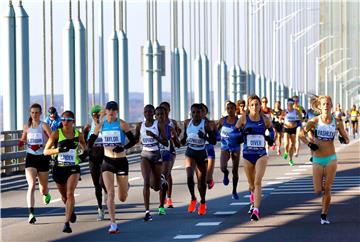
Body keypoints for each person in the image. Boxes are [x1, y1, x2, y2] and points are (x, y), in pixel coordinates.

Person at [299, 95, 349, 224]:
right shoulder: (314, 121)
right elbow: (301, 134)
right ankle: (323, 207)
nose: (326, 106)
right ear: (320, 107)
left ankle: (324, 215)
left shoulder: (337, 122)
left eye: (328, 104)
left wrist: (343, 139)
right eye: (323, 104)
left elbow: (347, 139)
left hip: (331, 158)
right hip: (317, 159)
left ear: (331, 106)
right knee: (317, 190)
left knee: (328, 188)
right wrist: (310, 144)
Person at [88, 101, 136, 233]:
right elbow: (90, 141)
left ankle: (125, 186)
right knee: (110, 192)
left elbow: (133, 140)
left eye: (114, 110)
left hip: (121, 161)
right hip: (107, 162)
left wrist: (123, 147)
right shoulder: (101, 125)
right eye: (109, 109)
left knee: (122, 197)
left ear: (117, 111)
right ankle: (113, 224)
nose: (111, 112)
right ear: (106, 111)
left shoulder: (122, 124)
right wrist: (89, 148)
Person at [44, 110, 87, 233]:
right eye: (63, 119)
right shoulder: (56, 134)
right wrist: (58, 150)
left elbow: (84, 145)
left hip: (73, 168)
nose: (65, 122)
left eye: (68, 120)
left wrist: (84, 154)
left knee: (69, 194)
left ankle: (66, 223)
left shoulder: (78, 135)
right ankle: (70, 210)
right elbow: (45, 151)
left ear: (73, 122)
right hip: (58, 168)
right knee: (64, 197)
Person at [234, 95, 274, 221]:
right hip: (247, 155)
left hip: (261, 154)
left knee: (257, 182)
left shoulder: (264, 119)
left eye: (257, 104)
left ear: (260, 106)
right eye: (252, 105)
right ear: (249, 106)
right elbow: (234, 133)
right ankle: (252, 197)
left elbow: (272, 130)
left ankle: (256, 210)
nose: (255, 107)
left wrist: (270, 138)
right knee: (251, 184)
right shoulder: (244, 119)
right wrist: (243, 133)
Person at [18, 103, 52, 224]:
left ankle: (46, 193)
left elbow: (53, 139)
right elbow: (23, 138)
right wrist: (21, 142)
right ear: (30, 113)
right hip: (31, 157)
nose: (35, 115)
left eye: (37, 112)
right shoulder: (27, 126)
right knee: (31, 185)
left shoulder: (44, 125)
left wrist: (42, 145)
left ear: (40, 113)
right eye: (32, 112)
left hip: (42, 158)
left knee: (43, 188)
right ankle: (31, 213)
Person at [134, 104, 169, 221]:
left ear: (153, 113)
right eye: (146, 112)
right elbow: (135, 139)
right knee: (146, 181)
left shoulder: (158, 125)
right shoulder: (140, 125)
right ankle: (147, 212)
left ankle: (163, 188)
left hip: (156, 155)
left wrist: (154, 135)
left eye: (150, 112)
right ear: (143, 113)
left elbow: (166, 142)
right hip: (145, 155)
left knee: (156, 187)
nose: (148, 114)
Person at [181, 103, 216, 216]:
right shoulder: (187, 123)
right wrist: (180, 141)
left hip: (201, 153)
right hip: (190, 152)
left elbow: (214, 141)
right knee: (189, 176)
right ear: (191, 113)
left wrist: (204, 137)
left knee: (201, 182)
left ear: (202, 114)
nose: (195, 114)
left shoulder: (205, 124)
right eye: (193, 112)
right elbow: (184, 138)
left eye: (198, 112)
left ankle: (203, 202)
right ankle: (193, 198)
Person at [83, 105, 107, 221]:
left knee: (102, 182)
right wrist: (82, 155)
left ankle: (107, 192)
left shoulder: (106, 126)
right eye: (94, 115)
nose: (96, 117)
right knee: (97, 185)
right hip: (93, 158)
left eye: (98, 115)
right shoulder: (88, 128)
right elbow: (85, 145)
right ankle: (100, 208)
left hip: (104, 157)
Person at [155, 106, 180, 209]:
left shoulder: (171, 125)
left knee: (166, 174)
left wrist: (174, 138)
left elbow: (178, 142)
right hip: (156, 154)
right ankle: (163, 195)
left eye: (163, 113)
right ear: (155, 116)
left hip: (169, 152)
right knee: (157, 179)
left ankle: (168, 199)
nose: (161, 116)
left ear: (167, 114)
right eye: (159, 114)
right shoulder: (152, 126)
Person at [217, 101, 241, 199]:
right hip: (225, 146)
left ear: (235, 110)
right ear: (226, 110)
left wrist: (239, 137)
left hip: (235, 147)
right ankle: (226, 173)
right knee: (222, 167)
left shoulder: (239, 121)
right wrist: (216, 137)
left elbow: (243, 133)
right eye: (228, 108)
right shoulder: (222, 120)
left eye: (232, 108)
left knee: (235, 170)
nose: (230, 110)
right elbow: (215, 130)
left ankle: (234, 190)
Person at [200, 103, 219, 190]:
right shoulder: (192, 124)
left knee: (207, 179)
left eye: (203, 111)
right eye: (199, 111)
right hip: (198, 152)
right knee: (201, 179)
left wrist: (211, 137)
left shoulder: (211, 124)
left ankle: (210, 180)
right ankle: (202, 200)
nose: (200, 113)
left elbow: (218, 137)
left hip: (210, 151)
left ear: (206, 112)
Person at [282, 98, 303, 166]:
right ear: (287, 104)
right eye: (289, 104)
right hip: (286, 129)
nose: (290, 106)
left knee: (291, 145)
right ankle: (285, 151)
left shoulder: (296, 111)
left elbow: (301, 119)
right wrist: (282, 121)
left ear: (293, 105)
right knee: (287, 143)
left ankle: (290, 160)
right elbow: (280, 118)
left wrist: (299, 120)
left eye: (291, 104)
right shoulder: (285, 111)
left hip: (293, 129)